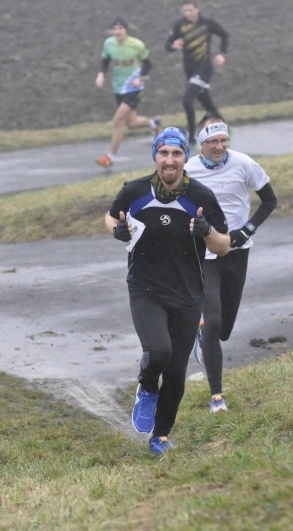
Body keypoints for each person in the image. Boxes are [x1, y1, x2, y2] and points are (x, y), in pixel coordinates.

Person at [104, 127, 230, 455]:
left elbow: (224, 245)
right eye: (163, 153)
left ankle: (159, 437)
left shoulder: (200, 197)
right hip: (145, 288)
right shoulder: (135, 191)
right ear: (155, 157)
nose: (170, 160)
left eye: (176, 154)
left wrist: (207, 232)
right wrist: (117, 230)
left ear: (185, 158)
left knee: (176, 371)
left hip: (188, 296)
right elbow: (110, 216)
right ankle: (146, 388)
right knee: (159, 352)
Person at [185, 113, 278, 413]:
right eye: (213, 141)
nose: (219, 146)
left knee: (223, 330)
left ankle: (205, 336)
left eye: (224, 139)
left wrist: (246, 231)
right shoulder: (188, 171)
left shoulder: (244, 163)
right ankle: (217, 397)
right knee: (212, 323)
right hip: (203, 255)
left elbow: (270, 200)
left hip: (237, 251)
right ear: (202, 143)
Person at [95, 17, 163, 168]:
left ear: (126, 30)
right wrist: (101, 74)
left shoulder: (136, 45)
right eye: (115, 29)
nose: (117, 31)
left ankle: (109, 157)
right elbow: (105, 60)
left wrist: (140, 78)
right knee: (131, 123)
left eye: (120, 29)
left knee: (118, 121)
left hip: (134, 87)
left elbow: (148, 64)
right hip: (119, 87)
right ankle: (154, 123)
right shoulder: (109, 44)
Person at [164, 1, 228, 144]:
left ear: (198, 9)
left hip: (204, 69)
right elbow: (167, 45)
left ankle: (192, 137)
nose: (188, 13)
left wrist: (222, 54)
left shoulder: (208, 23)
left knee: (187, 101)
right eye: (185, 11)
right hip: (190, 70)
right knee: (207, 104)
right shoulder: (179, 25)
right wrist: (173, 46)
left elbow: (224, 35)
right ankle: (223, 128)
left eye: (190, 10)